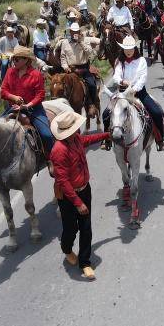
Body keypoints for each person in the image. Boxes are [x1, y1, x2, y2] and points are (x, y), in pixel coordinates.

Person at [50, 110, 110, 280]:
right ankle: (67, 249)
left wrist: (107, 135)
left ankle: (85, 262)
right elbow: (63, 181)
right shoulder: (58, 151)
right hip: (68, 197)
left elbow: (87, 140)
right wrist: (78, 203)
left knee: (86, 228)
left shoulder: (75, 139)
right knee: (71, 229)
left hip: (85, 189)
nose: (78, 130)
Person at [101, 36, 164, 151]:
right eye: (126, 49)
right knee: (106, 113)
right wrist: (122, 81)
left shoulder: (141, 61)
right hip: (122, 93)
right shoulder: (119, 61)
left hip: (139, 92)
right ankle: (107, 140)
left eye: (130, 49)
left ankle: (160, 140)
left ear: (135, 48)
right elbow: (116, 76)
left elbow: (143, 78)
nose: (128, 51)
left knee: (157, 112)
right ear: (123, 49)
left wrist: (134, 89)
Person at [0, 45, 55, 155]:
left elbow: (40, 95)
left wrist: (27, 105)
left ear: (26, 60)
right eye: (13, 59)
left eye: (17, 59)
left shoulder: (36, 74)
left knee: (46, 135)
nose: (13, 61)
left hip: (34, 110)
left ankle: (51, 158)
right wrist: (14, 97)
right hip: (14, 108)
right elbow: (3, 91)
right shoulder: (10, 72)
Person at [60, 23, 100, 109]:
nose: (75, 33)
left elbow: (89, 52)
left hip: (83, 68)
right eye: (73, 32)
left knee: (92, 85)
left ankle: (92, 104)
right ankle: (64, 107)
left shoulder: (84, 40)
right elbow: (62, 57)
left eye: (77, 31)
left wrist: (81, 42)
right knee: (61, 87)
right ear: (70, 32)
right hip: (71, 70)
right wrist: (65, 66)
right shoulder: (65, 42)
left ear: (79, 32)